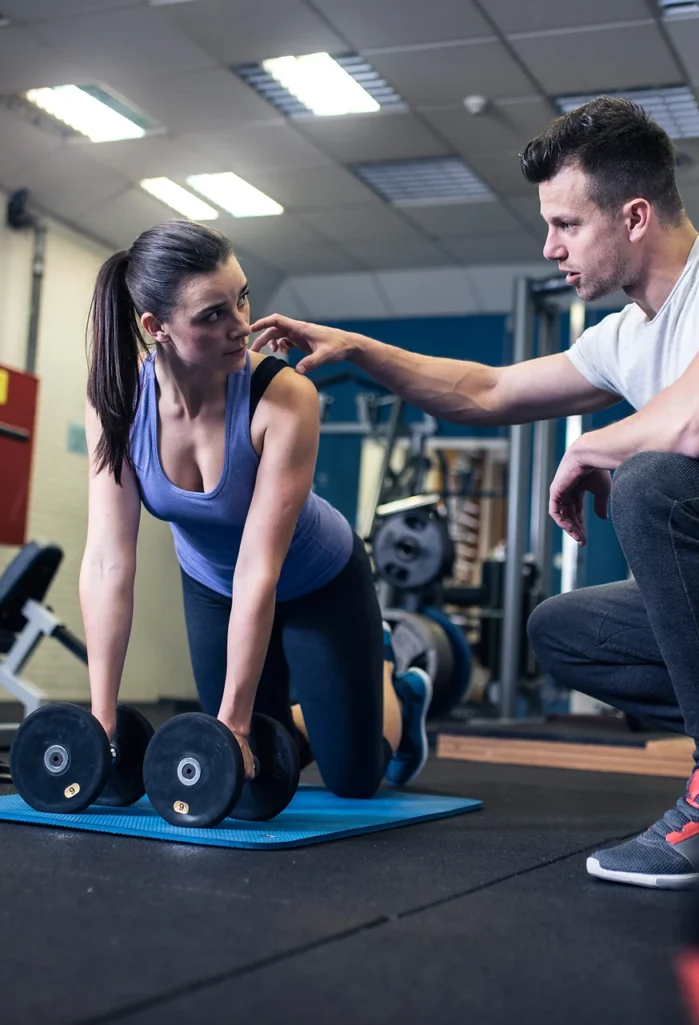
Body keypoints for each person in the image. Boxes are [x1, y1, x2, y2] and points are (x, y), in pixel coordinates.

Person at [251, 97, 699, 888]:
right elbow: (485, 390)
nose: (550, 247)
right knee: (566, 629)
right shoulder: (622, 337)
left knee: (657, 479)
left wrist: (593, 444)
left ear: (636, 215)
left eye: (567, 225)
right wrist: (359, 349)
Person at [78, 220, 433, 801]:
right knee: (250, 789)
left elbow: (258, 568)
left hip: (320, 580)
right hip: (214, 589)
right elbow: (107, 562)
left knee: (353, 778)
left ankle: (398, 685)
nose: (242, 326)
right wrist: (101, 720)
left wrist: (234, 726)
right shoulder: (116, 402)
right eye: (212, 315)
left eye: (241, 297)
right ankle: (315, 716)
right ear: (155, 328)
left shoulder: (284, 396)